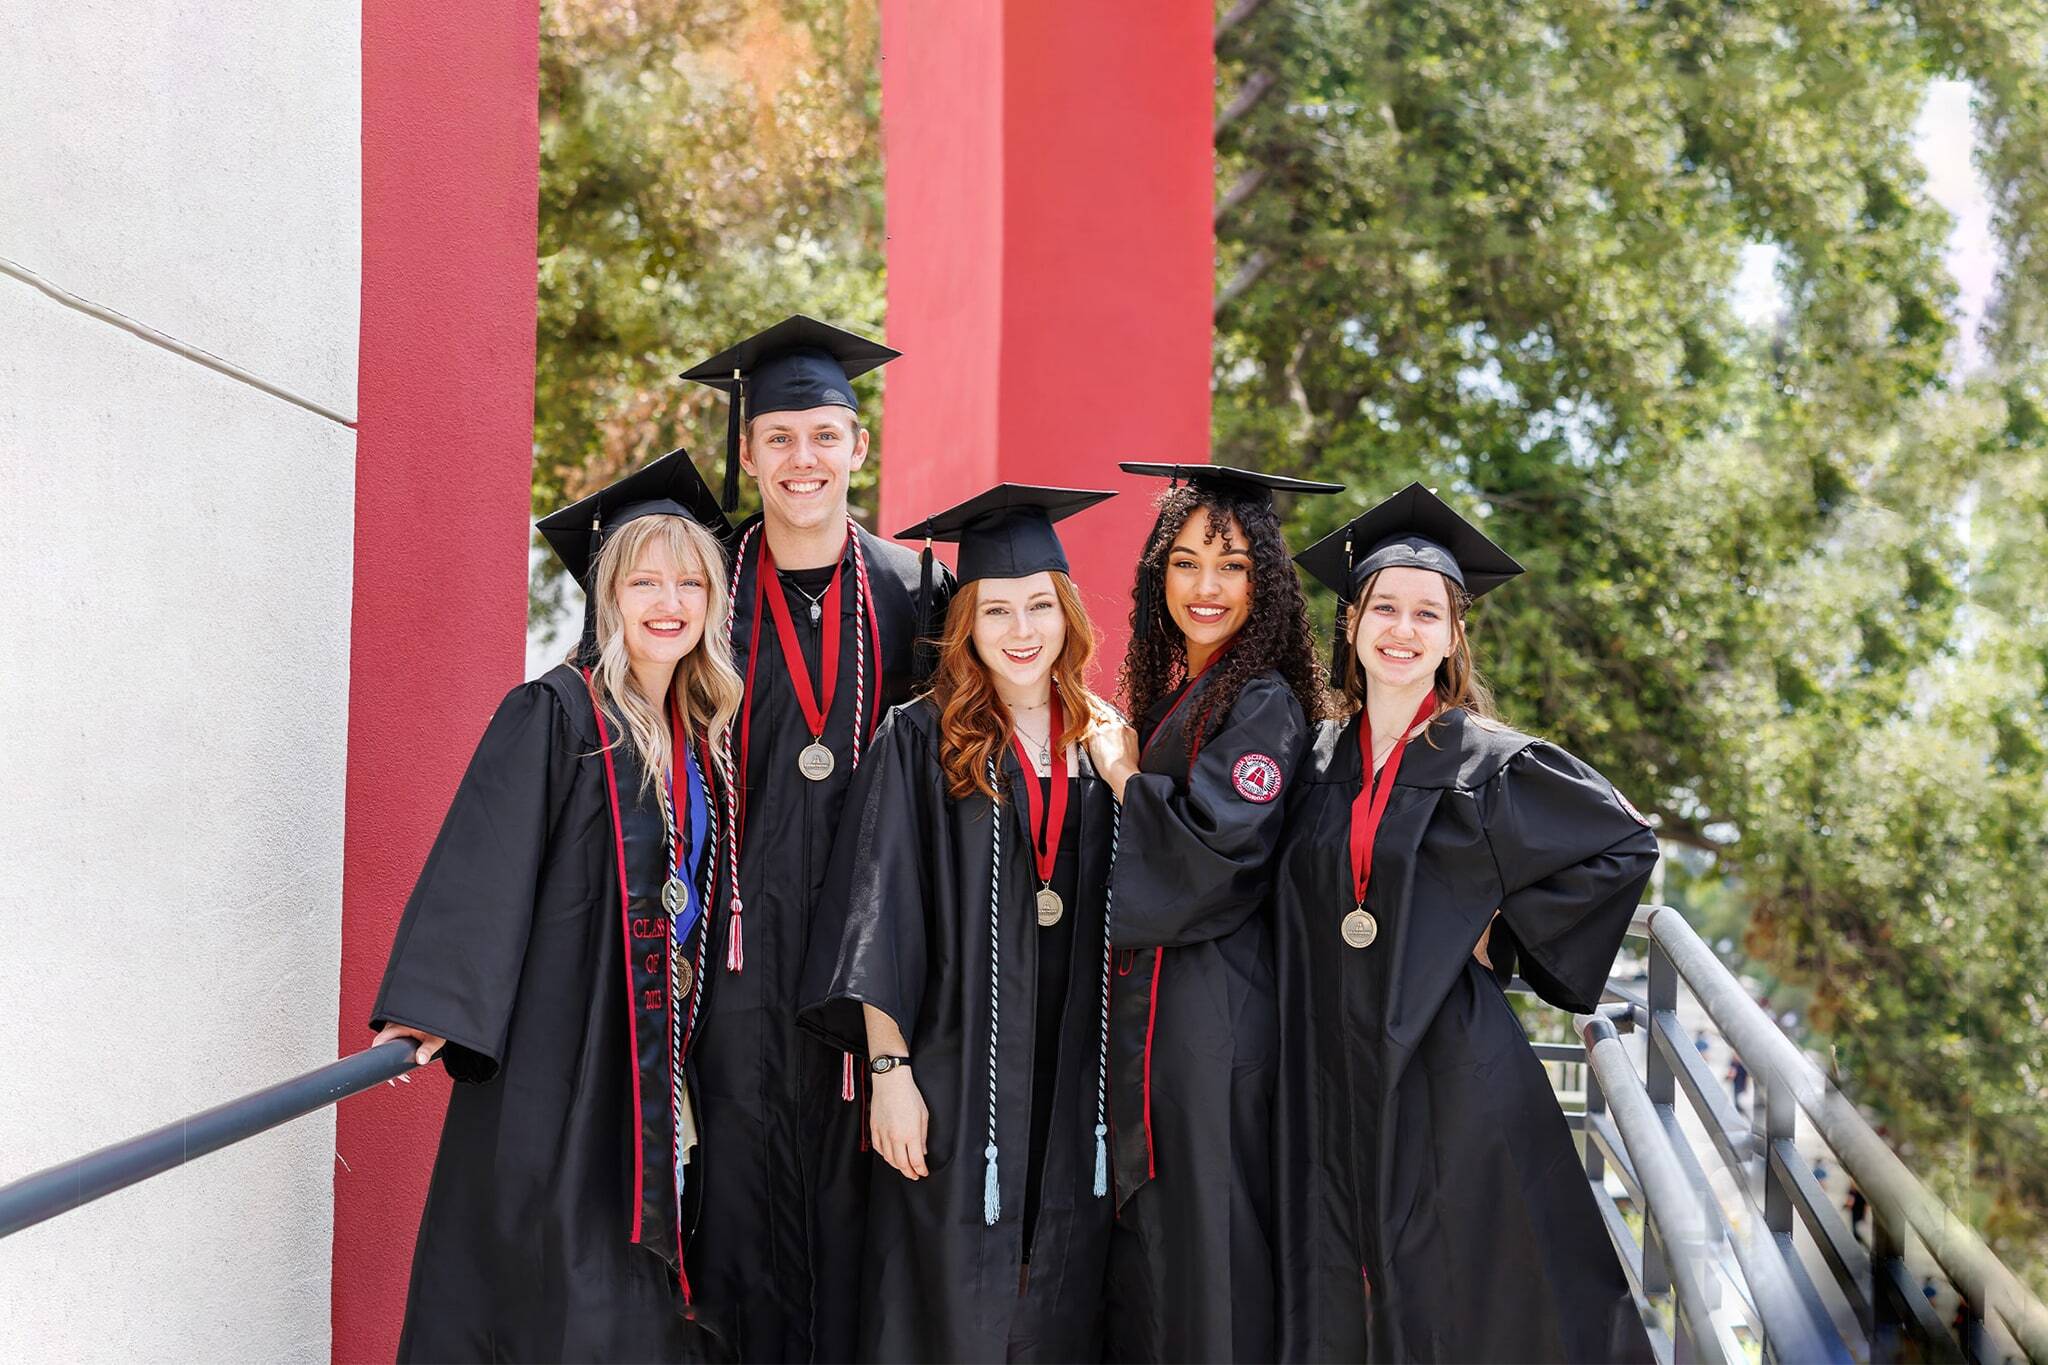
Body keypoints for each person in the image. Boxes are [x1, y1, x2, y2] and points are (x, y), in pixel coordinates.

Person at [1270, 482, 1659, 1363]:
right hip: (1326, 1071)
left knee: (1467, 1291)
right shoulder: (1315, 756)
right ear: (1351, 623)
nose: (1402, 630)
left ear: (1452, 637)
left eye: (1426, 614)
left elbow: (1624, 844)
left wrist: (1503, 928)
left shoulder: (1488, 759)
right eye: (1385, 608)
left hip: (1447, 1067)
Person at [369, 451, 739, 1360]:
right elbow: (484, 857)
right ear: (609, 595)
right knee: (559, 1272)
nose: (669, 601)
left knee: (637, 1287)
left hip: (662, 1054)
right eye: (645, 579)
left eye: (690, 580)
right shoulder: (557, 715)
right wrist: (434, 1005)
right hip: (566, 1053)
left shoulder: (704, 743)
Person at [676, 316, 950, 1360]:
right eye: (778, 438)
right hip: (734, 960)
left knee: (864, 1209)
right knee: (740, 1198)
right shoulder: (700, 592)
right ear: (746, 453)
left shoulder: (918, 593)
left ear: (857, 446)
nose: (802, 459)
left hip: (869, 964)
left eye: (822, 435)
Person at [801, 484, 1123, 1361]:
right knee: (937, 1293)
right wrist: (890, 1072)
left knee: (1059, 1287)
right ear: (968, 624)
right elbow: (879, 907)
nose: (1021, 630)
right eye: (997, 610)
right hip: (953, 1069)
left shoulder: (1105, 743)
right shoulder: (920, 738)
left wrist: (1127, 776)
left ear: (1067, 614)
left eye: (1039, 607)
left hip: (1073, 1074)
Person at [1083, 461, 1341, 1363]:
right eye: (1187, 561)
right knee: (1160, 1263)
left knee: (1210, 1262)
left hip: (1214, 1030)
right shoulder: (1177, 694)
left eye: (1231, 566)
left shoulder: (1261, 701)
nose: (1206, 587)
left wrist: (1121, 775)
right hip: (1164, 1028)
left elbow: (1213, 857)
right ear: (1159, 571)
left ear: (1263, 581)